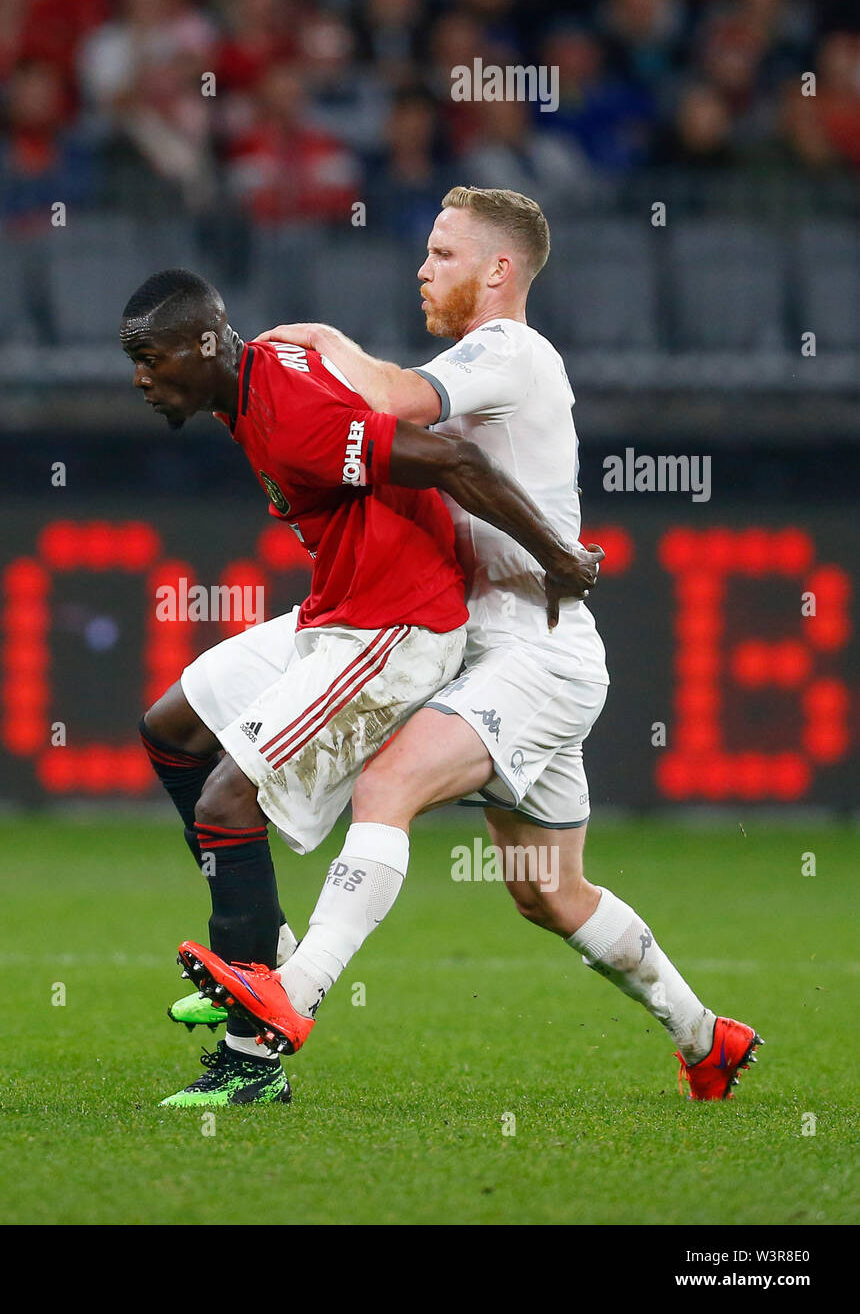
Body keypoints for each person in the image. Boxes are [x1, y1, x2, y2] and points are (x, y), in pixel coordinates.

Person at [181, 186, 762, 1102]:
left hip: (533, 659)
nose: (423, 268)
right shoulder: (484, 361)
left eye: (444, 254)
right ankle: (706, 1037)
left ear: (499, 270)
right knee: (550, 893)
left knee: (388, 784)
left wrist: (328, 342)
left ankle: (290, 994)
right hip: (492, 655)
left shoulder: (509, 350)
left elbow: (398, 397)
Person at [120, 266, 601, 1106]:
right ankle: (257, 942)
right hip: (336, 611)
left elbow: (449, 459)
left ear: (205, 346)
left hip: (397, 629)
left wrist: (557, 557)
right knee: (173, 728)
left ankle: (250, 1054)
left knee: (227, 804)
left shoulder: (292, 417)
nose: (140, 378)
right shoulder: (252, 377)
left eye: (151, 358)